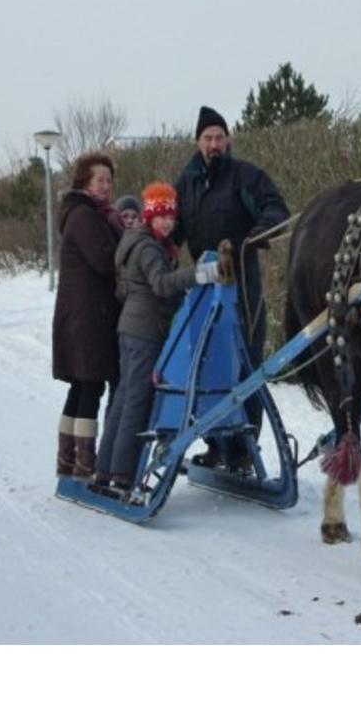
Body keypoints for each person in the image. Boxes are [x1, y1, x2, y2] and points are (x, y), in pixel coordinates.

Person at [172, 105, 289, 466]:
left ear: (228, 140)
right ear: (197, 141)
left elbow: (276, 210)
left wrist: (258, 233)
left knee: (246, 364)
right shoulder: (186, 182)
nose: (214, 144)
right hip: (204, 287)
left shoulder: (244, 176)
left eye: (219, 137)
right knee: (209, 365)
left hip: (242, 286)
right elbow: (172, 229)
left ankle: (244, 446)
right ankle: (215, 443)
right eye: (208, 138)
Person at [93, 182, 222, 490]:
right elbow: (162, 284)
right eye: (162, 216)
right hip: (144, 331)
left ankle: (106, 470)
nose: (168, 222)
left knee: (124, 399)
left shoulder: (138, 242)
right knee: (135, 402)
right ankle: (122, 475)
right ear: (149, 216)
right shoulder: (148, 247)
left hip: (132, 329)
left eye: (171, 217)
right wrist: (199, 273)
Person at [52, 152, 122, 479]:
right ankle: (84, 466)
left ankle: (67, 461)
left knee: (80, 387)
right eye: (100, 180)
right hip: (88, 317)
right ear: (85, 182)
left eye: (109, 180)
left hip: (83, 315)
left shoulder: (88, 214)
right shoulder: (84, 216)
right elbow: (106, 260)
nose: (106, 186)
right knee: (90, 386)